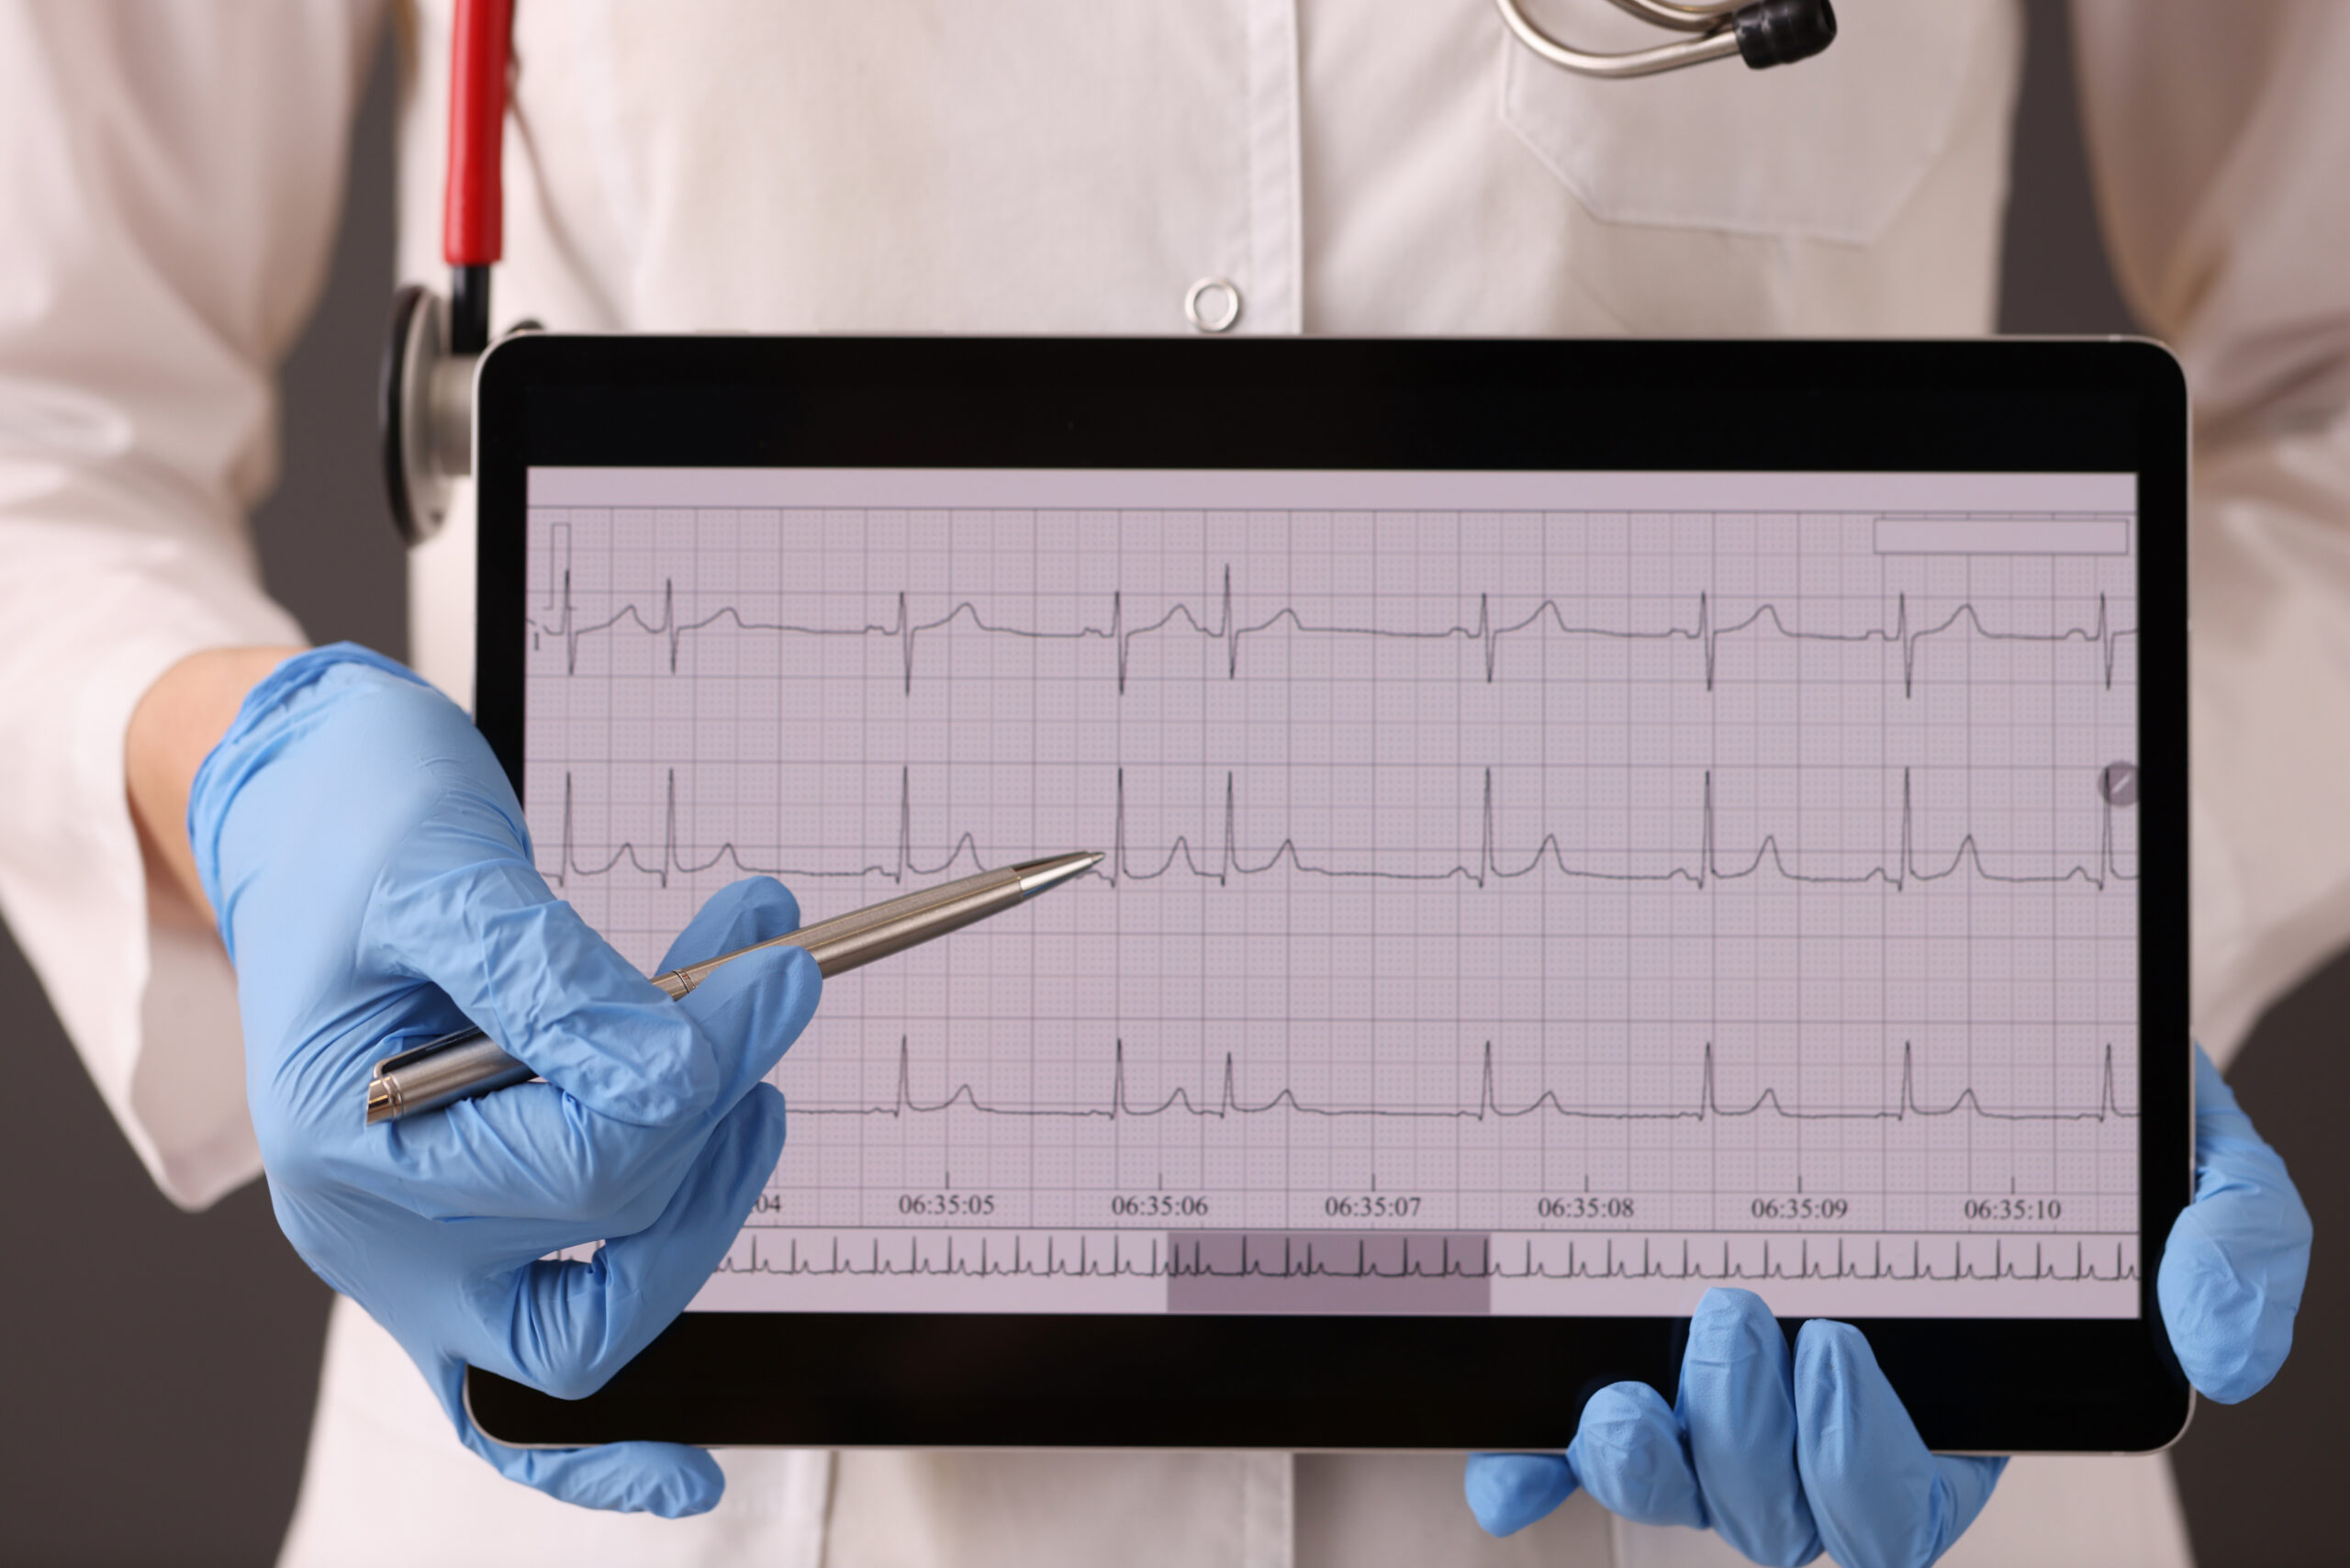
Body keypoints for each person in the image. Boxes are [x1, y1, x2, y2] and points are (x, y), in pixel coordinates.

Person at [0, 2, 2333, 1563]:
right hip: (662, 1427)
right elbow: (35, 413)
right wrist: (239, 780)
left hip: (1777, 1419)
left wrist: (2055, 960)